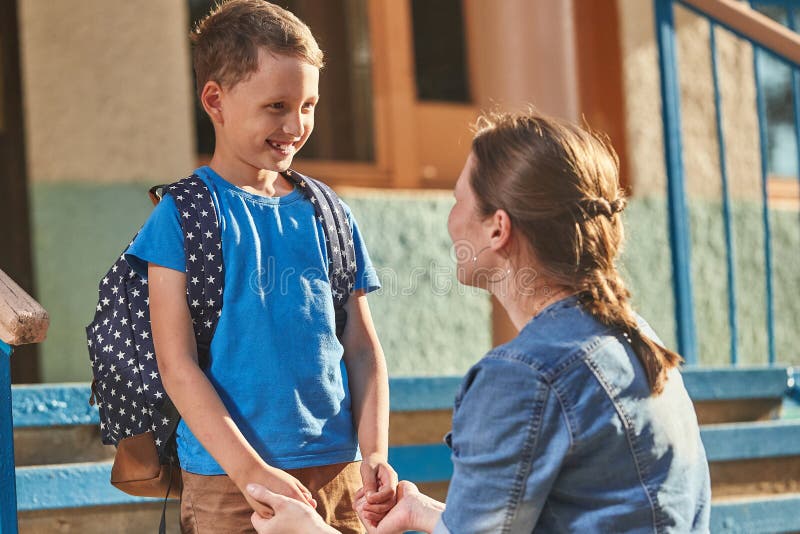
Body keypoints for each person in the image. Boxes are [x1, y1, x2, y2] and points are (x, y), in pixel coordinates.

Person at [246, 110, 712, 533]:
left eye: (458, 199)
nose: (450, 220)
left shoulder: (523, 377)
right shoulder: (633, 337)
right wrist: (428, 514)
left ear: (498, 228)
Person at [124, 1, 396, 532]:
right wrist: (253, 472)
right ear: (215, 100)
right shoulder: (181, 218)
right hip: (231, 485)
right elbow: (177, 366)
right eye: (277, 105)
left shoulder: (330, 213)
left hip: (339, 479)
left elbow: (363, 350)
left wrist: (376, 452)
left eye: (310, 105)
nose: (296, 125)